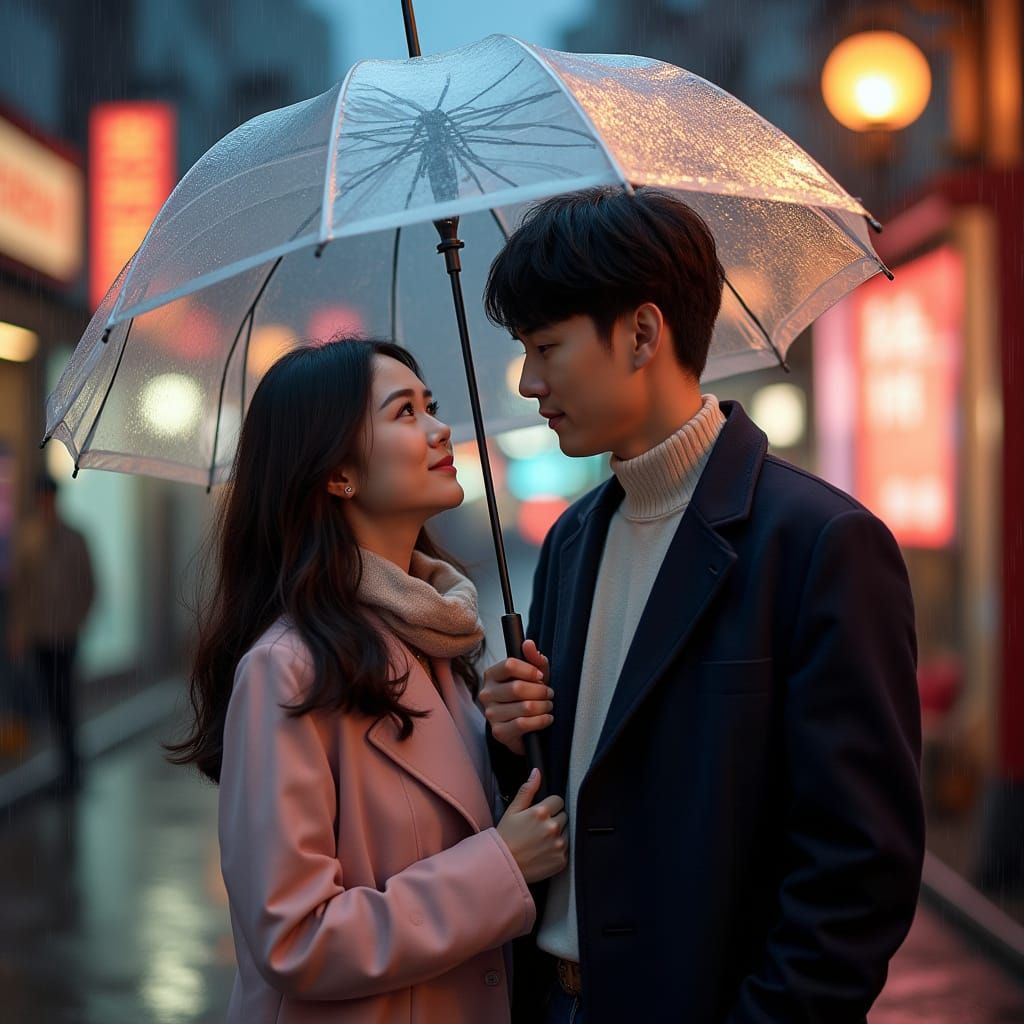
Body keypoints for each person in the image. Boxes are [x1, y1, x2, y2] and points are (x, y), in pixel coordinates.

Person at [479, 186, 925, 1024]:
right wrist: (512, 737)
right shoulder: (572, 541)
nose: (531, 382)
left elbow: (859, 864)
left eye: (547, 347)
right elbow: (581, 801)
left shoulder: (818, 542)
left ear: (642, 333)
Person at [166, 337, 568, 1024]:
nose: (439, 429)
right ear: (337, 474)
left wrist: (504, 745)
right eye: (405, 412)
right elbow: (294, 937)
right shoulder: (287, 668)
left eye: (430, 406)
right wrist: (499, 865)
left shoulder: (439, 639)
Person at [9, 473, 95, 791]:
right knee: (51, 700)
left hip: (65, 634)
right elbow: (22, 590)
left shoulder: (74, 538)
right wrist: (20, 631)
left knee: (64, 700)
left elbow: (89, 585)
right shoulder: (28, 538)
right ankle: (66, 765)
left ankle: (71, 767)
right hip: (40, 634)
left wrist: (76, 621)